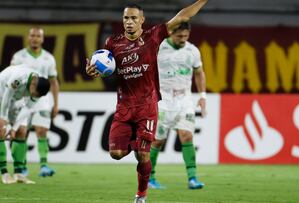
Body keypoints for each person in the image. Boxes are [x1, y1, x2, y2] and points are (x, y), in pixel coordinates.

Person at [85, 1, 208, 202]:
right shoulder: (112, 43)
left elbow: (183, 16)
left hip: (147, 106)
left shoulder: (153, 36)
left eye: (134, 18)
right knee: (116, 153)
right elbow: (104, 68)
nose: (130, 22)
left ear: (142, 20)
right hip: (124, 107)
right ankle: (138, 140)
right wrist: (92, 71)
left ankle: (141, 195)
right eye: (126, 18)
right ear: (122, 20)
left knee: (143, 155)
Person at [148, 22, 207, 190]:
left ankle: (193, 178)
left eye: (186, 36)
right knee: (157, 141)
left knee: (187, 136)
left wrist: (202, 96)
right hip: (162, 102)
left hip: (184, 101)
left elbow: (199, 73)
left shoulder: (193, 51)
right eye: (179, 36)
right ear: (170, 33)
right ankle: (150, 178)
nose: (183, 39)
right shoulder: (158, 48)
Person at [0, 64, 50, 184]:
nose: (35, 97)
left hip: (16, 100)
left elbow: (27, 109)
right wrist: (5, 121)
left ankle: (19, 173)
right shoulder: (18, 78)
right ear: (33, 84)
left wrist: (14, 128)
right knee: (0, 131)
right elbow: (6, 97)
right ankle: (4, 174)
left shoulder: (39, 87)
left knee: (21, 131)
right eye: (35, 94)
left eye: (37, 96)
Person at [10, 27, 59, 177]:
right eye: (32, 35)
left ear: (42, 39)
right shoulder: (19, 57)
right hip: (22, 99)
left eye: (38, 36)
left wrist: (56, 103)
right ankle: (22, 166)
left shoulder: (49, 58)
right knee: (21, 132)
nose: (35, 38)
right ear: (28, 37)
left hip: (42, 100)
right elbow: (11, 79)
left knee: (42, 130)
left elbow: (54, 81)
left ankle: (44, 165)